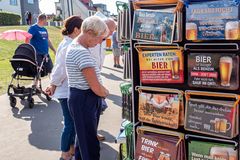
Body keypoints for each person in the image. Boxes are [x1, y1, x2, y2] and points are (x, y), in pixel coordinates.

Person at [66, 16, 109, 160]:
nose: (99, 43)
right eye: (99, 38)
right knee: (90, 144)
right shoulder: (80, 51)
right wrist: (105, 92)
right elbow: (96, 87)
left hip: (82, 97)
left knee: (83, 140)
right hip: (84, 98)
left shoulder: (76, 46)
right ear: (89, 32)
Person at [45, 15, 83, 160]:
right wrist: (53, 84)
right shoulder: (68, 45)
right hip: (65, 90)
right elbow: (60, 68)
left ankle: (71, 150)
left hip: (66, 89)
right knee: (69, 123)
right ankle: (65, 153)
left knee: (72, 122)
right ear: (75, 29)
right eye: (82, 29)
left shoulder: (68, 42)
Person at [89, 17, 116, 141]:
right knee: (93, 109)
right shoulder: (91, 40)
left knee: (98, 108)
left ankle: (93, 131)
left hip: (97, 76)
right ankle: (89, 134)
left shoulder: (104, 40)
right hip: (89, 79)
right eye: (110, 30)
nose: (111, 33)